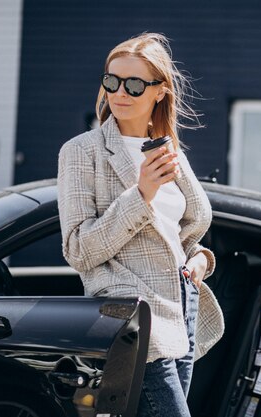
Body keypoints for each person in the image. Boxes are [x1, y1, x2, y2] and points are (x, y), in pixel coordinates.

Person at [57, 33, 224, 416]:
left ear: (160, 91)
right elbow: (79, 250)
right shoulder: (83, 152)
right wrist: (141, 193)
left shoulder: (168, 150)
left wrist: (199, 259)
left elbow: (178, 230)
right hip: (133, 315)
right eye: (111, 81)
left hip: (182, 308)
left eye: (133, 84)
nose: (120, 93)